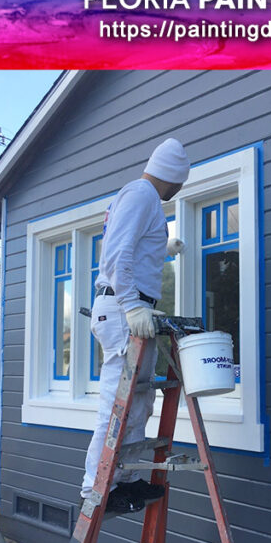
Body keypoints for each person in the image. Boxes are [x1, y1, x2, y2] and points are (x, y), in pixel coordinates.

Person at [81, 137, 189, 514]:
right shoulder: (142, 194)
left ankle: (123, 480)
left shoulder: (141, 199)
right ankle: (97, 486)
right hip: (122, 307)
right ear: (173, 177)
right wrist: (131, 304)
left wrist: (163, 246)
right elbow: (115, 253)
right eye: (180, 183)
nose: (178, 190)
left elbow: (131, 245)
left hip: (130, 309)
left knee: (138, 400)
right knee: (116, 403)